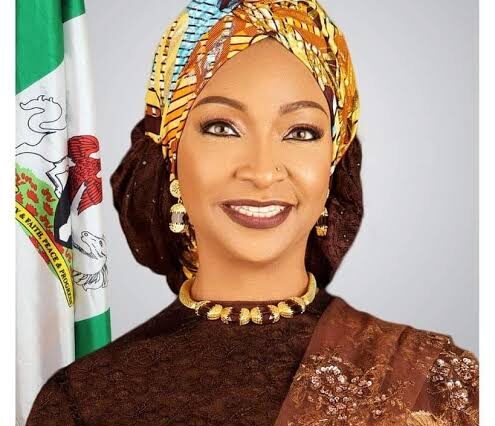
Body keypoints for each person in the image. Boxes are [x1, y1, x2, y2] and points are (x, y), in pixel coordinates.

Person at [26, 1, 479, 425]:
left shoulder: (439, 382)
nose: (262, 171)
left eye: (301, 132)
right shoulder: (84, 401)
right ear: (171, 155)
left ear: (334, 161)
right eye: (222, 127)